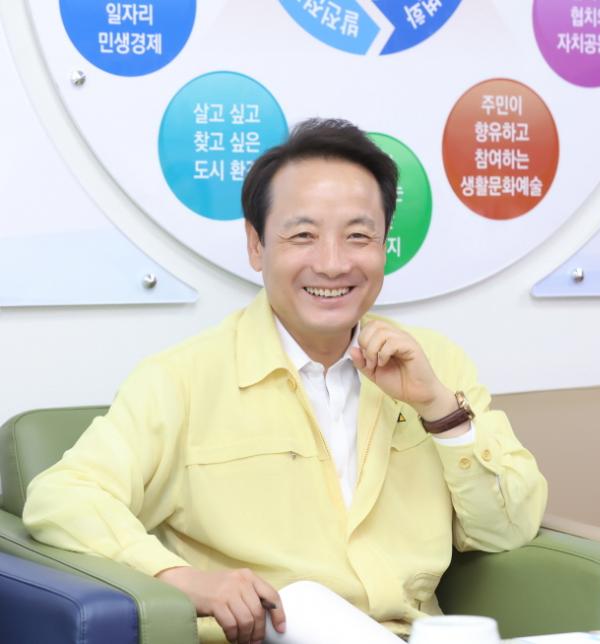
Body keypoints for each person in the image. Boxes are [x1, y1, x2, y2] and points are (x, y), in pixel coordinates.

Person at [23, 118, 547, 644]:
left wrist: (438, 409)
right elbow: (61, 497)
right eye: (303, 236)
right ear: (256, 245)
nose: (333, 264)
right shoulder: (182, 379)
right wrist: (180, 579)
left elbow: (507, 529)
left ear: (384, 244)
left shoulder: (436, 364)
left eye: (358, 236)